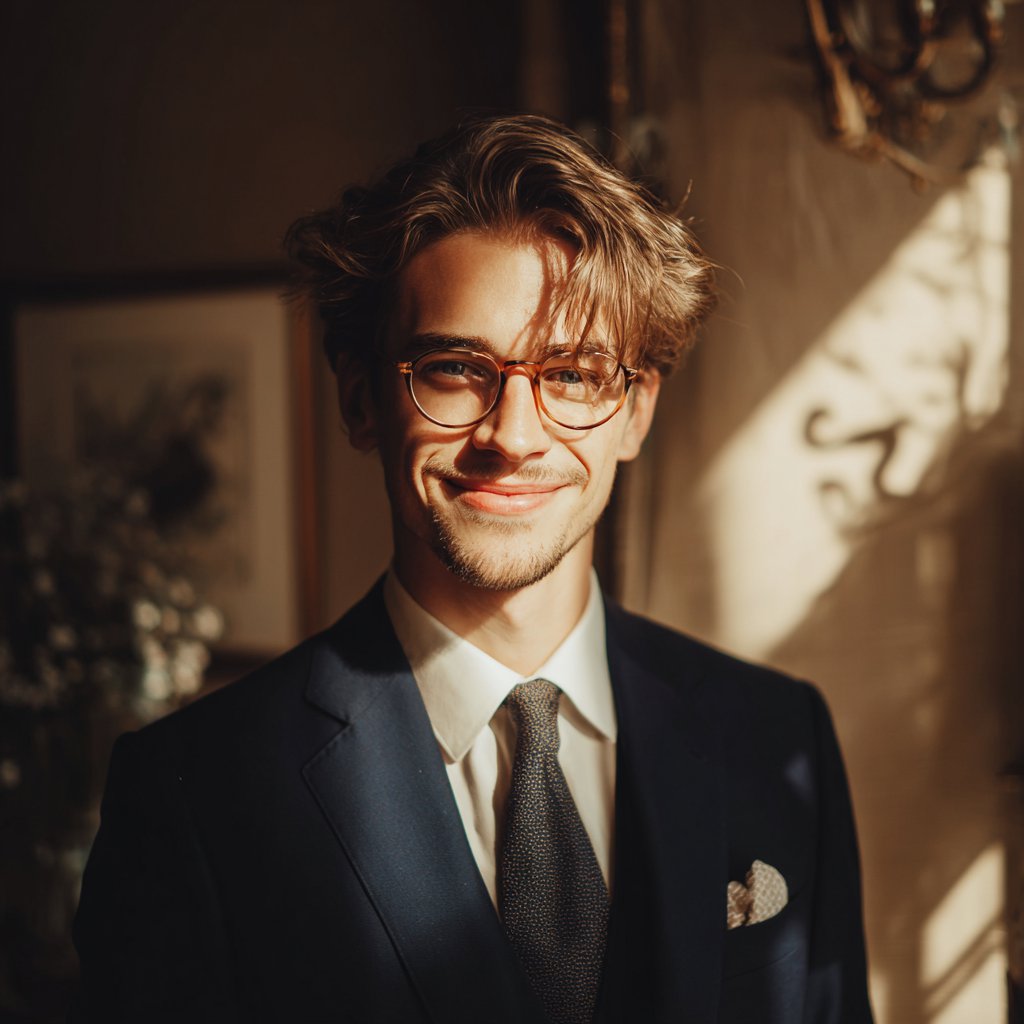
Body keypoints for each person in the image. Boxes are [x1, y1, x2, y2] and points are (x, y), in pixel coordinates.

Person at [71, 113, 874, 1024]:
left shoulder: (780, 739)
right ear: (363, 400)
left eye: (572, 375)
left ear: (636, 411)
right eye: (455, 369)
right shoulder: (197, 794)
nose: (513, 436)